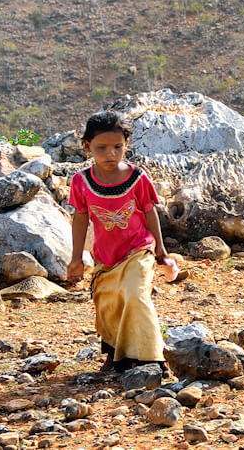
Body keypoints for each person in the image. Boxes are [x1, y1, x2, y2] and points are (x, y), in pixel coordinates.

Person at [65, 110, 173, 373]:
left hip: (139, 250)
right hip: (106, 256)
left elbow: (149, 211)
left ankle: (151, 359)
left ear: (127, 144)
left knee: (135, 295)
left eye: (117, 147)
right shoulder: (81, 182)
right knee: (109, 302)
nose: (110, 154)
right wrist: (76, 258)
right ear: (87, 146)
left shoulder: (137, 177)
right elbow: (81, 219)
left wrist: (160, 248)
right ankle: (116, 355)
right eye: (101, 148)